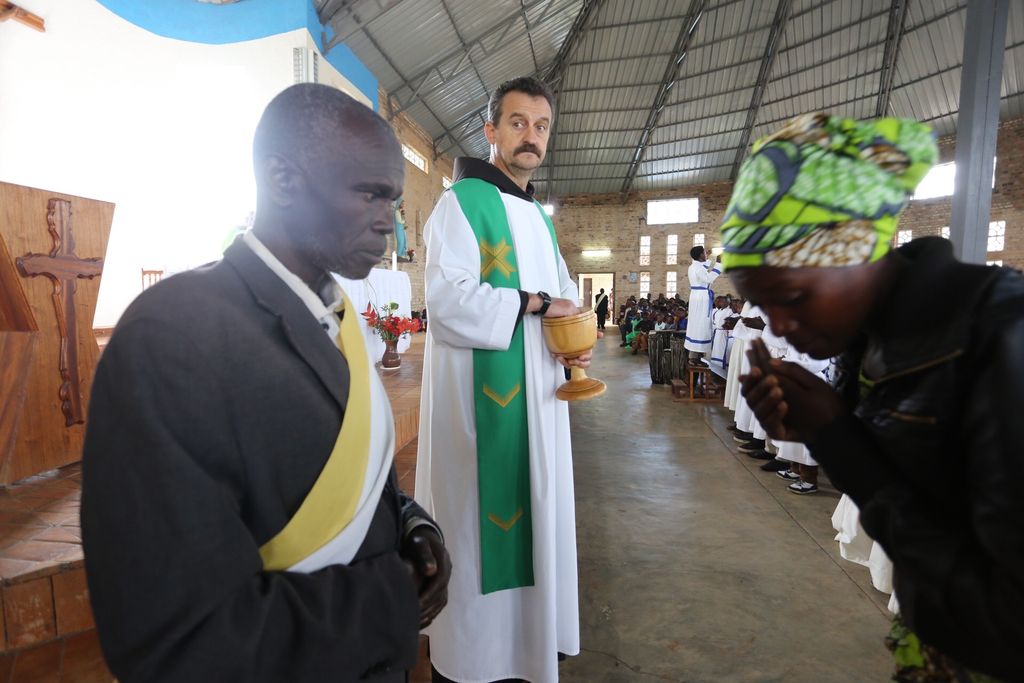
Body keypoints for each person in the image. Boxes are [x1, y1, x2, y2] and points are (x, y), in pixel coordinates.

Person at [80, 84, 451, 683]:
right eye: (370, 194)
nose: (390, 222)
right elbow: (176, 640)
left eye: (395, 201)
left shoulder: (337, 314)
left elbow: (335, 478)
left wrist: (408, 523)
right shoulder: (173, 337)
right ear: (283, 181)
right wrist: (387, 595)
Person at [727, 112, 1024, 681]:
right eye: (765, 306)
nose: (780, 325)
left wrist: (838, 440)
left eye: (792, 295)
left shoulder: (1001, 338)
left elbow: (1009, 617)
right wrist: (817, 429)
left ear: (856, 249)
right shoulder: (874, 342)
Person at [415, 76, 585, 683]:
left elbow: (567, 295)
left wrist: (573, 342)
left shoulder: (537, 216)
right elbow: (448, 302)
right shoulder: (461, 202)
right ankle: (475, 662)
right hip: (483, 414)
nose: (530, 137)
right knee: (479, 531)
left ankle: (526, 651)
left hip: (540, 401)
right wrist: (537, 304)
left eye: (541, 126)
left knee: (537, 516)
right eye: (517, 123)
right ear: (490, 131)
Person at [683, 245, 722, 357]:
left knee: (697, 321)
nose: (706, 254)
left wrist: (709, 257)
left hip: (697, 295)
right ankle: (698, 349)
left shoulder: (694, 265)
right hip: (701, 297)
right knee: (702, 322)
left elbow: (704, 264)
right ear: (700, 255)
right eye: (704, 252)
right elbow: (708, 278)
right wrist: (719, 265)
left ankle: (696, 349)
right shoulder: (698, 268)